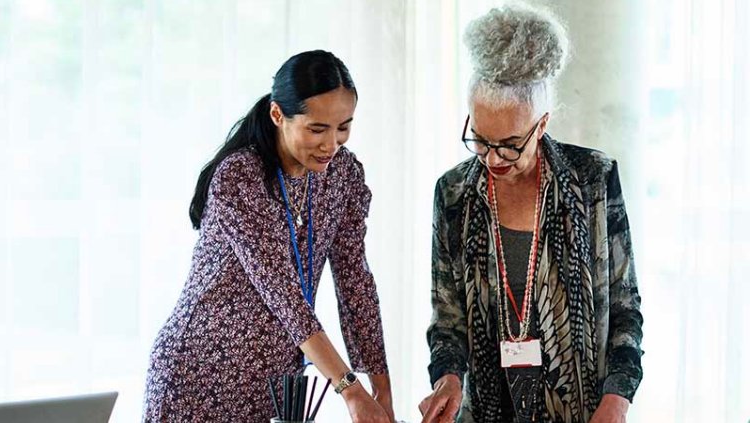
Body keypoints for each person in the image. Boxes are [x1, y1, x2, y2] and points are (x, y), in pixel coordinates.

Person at [142, 50, 395, 423]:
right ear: (279, 115)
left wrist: (382, 391)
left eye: (343, 126)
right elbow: (284, 295)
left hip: (275, 388)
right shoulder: (240, 177)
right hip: (198, 376)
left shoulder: (343, 175)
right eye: (317, 129)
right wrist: (351, 392)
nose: (332, 144)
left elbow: (355, 282)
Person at [419, 4, 643, 423]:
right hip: (484, 409)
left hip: (580, 410)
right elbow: (447, 318)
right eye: (480, 140)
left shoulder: (592, 179)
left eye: (509, 144)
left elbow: (625, 308)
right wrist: (447, 377)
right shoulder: (453, 193)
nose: (493, 159)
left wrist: (617, 400)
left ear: (541, 125)